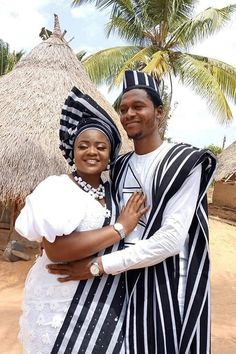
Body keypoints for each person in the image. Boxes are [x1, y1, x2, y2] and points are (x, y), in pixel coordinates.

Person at [48, 70, 217, 354]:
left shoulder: (185, 162)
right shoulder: (120, 165)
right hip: (122, 282)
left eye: (138, 106)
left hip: (168, 281)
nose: (129, 114)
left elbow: (170, 240)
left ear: (159, 112)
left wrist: (97, 267)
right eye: (123, 109)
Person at [15, 86, 148, 354]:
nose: (91, 152)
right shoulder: (57, 188)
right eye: (83, 145)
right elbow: (56, 250)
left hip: (100, 298)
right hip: (57, 298)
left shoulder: (113, 192)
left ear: (110, 154)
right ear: (72, 150)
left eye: (101, 146)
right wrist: (120, 228)